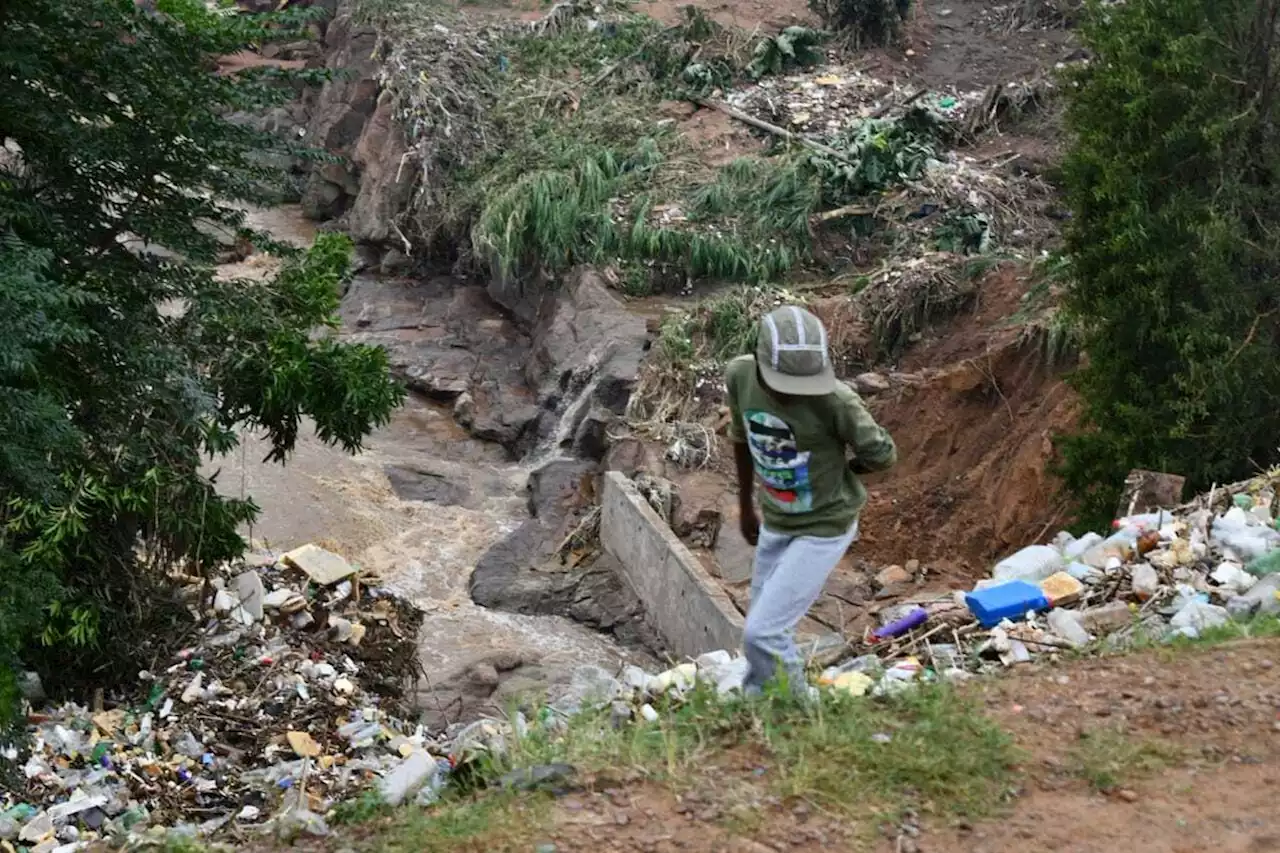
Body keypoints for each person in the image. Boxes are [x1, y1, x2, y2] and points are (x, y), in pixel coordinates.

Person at [726, 305, 897, 696]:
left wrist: (845, 471)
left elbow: (883, 454)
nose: (792, 395)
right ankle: (758, 704)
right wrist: (746, 504)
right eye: (783, 385)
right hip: (777, 520)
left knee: (763, 634)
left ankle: (800, 718)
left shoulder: (836, 401)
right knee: (762, 626)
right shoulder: (740, 375)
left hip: (824, 526)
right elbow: (741, 437)